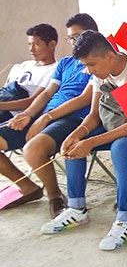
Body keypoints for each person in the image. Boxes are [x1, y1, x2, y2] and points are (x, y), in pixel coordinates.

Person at [40, 31, 127, 250]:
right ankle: (76, 209)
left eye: (92, 65)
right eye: (87, 65)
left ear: (110, 56)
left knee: (120, 149)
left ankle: (125, 221)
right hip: (118, 120)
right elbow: (94, 116)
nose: (89, 71)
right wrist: (77, 134)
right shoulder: (101, 70)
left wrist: (90, 142)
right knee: (74, 141)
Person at [0, 14, 96, 215]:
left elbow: (85, 99)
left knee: (33, 150)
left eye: (77, 36)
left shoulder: (95, 62)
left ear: (92, 34)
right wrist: (27, 114)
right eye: (71, 38)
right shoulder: (66, 63)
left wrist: (46, 117)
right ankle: (28, 187)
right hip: (46, 114)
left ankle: (54, 195)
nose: (74, 42)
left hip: (73, 118)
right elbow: (46, 94)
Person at [0, 24, 58, 124]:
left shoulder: (54, 70)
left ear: (52, 45)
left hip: (13, 114)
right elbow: (5, 90)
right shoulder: (23, 65)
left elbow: (31, 102)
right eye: (29, 44)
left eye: (37, 44)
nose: (31, 49)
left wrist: (1, 106)